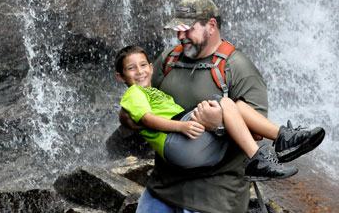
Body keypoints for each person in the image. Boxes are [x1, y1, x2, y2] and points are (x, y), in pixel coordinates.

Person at [119, 0, 324, 213]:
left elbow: (255, 133)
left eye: (188, 30)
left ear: (211, 26)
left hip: (214, 200)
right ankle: (285, 137)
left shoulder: (238, 68)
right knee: (226, 105)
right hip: (160, 193)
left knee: (227, 105)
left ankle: (283, 138)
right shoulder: (169, 59)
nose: (181, 36)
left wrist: (218, 124)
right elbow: (143, 100)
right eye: (178, 30)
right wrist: (127, 118)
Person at [115, 45, 324, 180]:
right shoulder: (134, 93)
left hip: (193, 151)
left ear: (152, 67)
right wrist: (182, 126)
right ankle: (267, 150)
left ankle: (281, 139)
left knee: (238, 109)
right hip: (176, 141)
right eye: (131, 68)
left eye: (143, 65)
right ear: (121, 77)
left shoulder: (154, 92)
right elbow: (147, 119)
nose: (140, 71)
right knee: (224, 103)